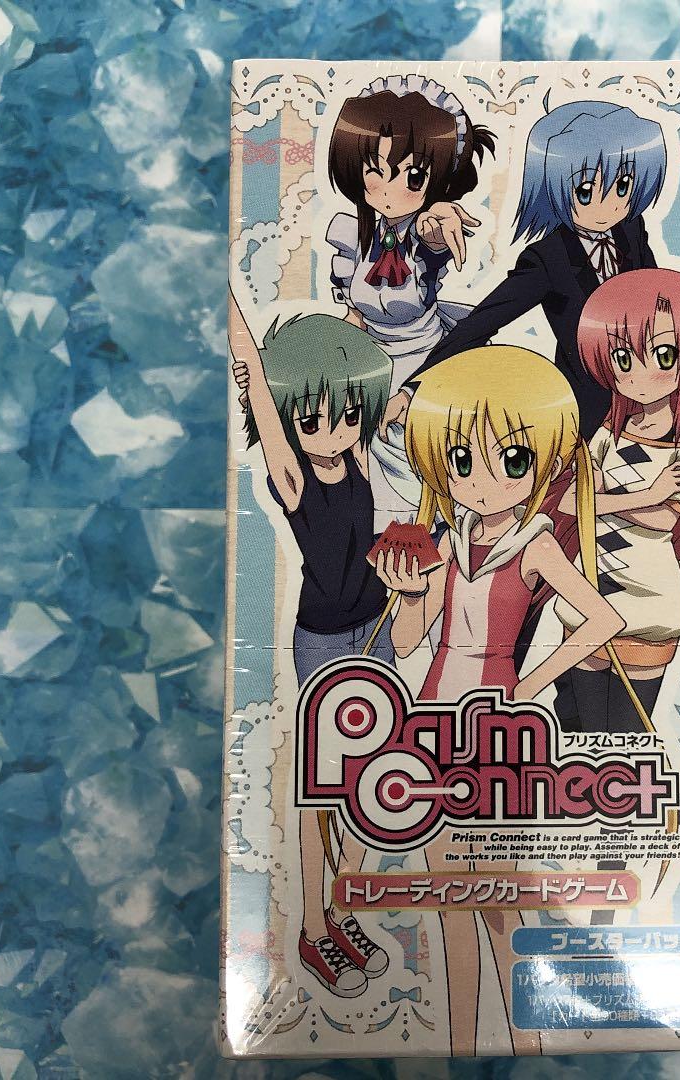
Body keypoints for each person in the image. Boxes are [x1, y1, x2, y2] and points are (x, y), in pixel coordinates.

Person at [371, 345, 626, 1054]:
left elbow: (602, 619)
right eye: (461, 461)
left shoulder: (535, 545)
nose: (481, 482)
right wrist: (411, 594)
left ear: (542, 463)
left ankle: (528, 1042)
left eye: (510, 460)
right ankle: (459, 1044)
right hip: (433, 718)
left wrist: (532, 683)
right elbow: (410, 640)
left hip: (496, 725)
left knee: (502, 900)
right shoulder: (449, 542)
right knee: (448, 898)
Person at [553, 269, 680, 920]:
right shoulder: (610, 428)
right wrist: (637, 494)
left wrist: (613, 499)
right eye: (623, 358)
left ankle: (624, 896)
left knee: (623, 765)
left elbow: (665, 518)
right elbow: (568, 499)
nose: (640, 374)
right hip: (587, 601)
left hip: (643, 606)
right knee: (595, 758)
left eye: (661, 355)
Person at [228, 290, 395, 997]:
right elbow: (267, 395)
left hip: (378, 631)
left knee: (371, 786)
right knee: (324, 790)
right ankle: (312, 927)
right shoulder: (293, 477)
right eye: (313, 418)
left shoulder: (360, 459)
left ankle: (343, 908)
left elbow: (356, 360)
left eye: (348, 412)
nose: (334, 429)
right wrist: (237, 324)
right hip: (324, 641)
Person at [403, 100, 666, 440]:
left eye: (623, 186)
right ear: (551, 187)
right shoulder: (548, 258)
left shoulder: (631, 229)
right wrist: (414, 389)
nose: (607, 206)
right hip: (588, 408)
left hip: (652, 394)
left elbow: (658, 300)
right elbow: (483, 322)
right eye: (585, 191)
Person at [326, 74, 495, 525]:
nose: (388, 190)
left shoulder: (424, 235)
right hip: (370, 364)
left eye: (413, 177)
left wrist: (437, 222)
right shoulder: (353, 236)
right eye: (374, 171)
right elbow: (354, 315)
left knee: (427, 459)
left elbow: (432, 234)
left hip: (425, 360)